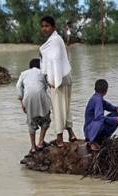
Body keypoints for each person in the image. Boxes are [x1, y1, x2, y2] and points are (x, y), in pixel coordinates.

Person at [40, 15, 77, 148]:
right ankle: (72, 134)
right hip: (66, 76)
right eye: (43, 26)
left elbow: (55, 61)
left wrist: (55, 81)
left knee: (58, 109)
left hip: (59, 80)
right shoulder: (56, 39)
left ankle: (59, 138)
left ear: (53, 27)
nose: (44, 28)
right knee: (65, 107)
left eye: (47, 26)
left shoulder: (54, 41)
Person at [17, 58, 51, 155]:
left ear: (30, 66)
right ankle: (40, 142)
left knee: (31, 122)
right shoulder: (42, 72)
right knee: (46, 119)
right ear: (40, 65)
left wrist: (21, 101)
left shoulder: (24, 73)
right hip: (41, 95)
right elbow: (46, 85)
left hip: (28, 97)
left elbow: (18, 86)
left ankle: (33, 147)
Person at [84, 79, 118, 151]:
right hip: (90, 130)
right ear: (106, 91)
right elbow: (99, 117)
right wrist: (114, 119)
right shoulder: (97, 100)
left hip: (91, 128)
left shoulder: (98, 98)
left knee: (116, 114)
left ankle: (101, 138)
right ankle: (92, 142)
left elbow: (109, 106)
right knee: (106, 120)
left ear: (95, 89)